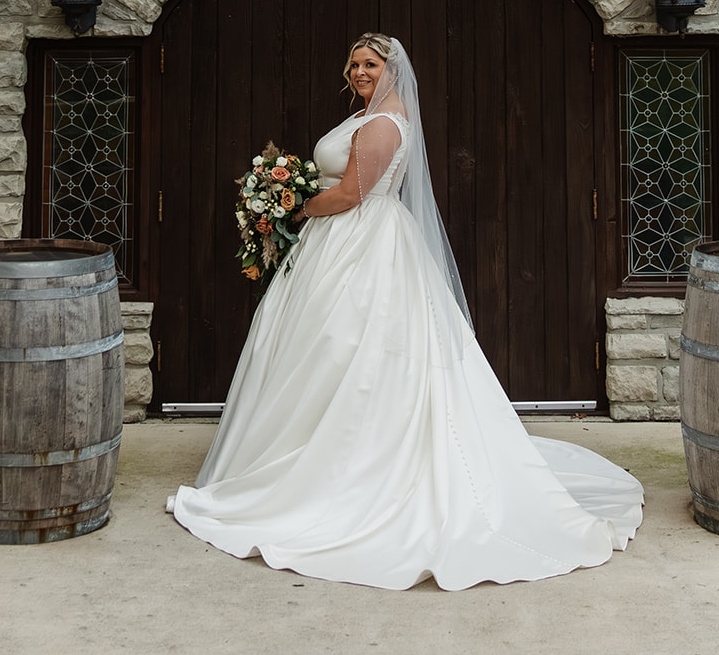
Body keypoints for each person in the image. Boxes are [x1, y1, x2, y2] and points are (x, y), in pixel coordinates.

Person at [168, 34, 644, 590]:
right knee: (325, 349)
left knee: (353, 345)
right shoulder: (369, 116)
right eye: (353, 63)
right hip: (340, 241)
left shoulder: (383, 125)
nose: (359, 72)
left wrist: (290, 208)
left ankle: (348, 465)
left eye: (371, 63)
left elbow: (350, 194)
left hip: (361, 242)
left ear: (392, 70)